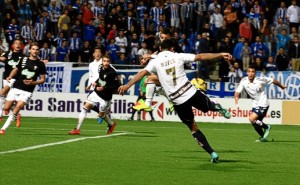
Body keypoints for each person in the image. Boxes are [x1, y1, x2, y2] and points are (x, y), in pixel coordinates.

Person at [118, 39, 232, 163]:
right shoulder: (178, 56)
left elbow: (141, 73)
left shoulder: (155, 62)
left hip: (177, 100)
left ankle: (212, 153)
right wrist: (220, 54)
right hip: (190, 91)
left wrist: (127, 85)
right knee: (209, 105)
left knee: (193, 127)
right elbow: (201, 56)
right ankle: (216, 107)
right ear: (172, 49)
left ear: (160, 49)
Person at [0, 42, 46, 135]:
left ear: (38, 51)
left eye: (37, 49)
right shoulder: (23, 59)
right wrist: (10, 76)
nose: (35, 51)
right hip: (16, 87)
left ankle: (3, 129)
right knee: (6, 107)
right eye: (33, 49)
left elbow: (42, 79)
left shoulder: (40, 64)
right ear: (29, 50)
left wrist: (33, 82)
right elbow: (16, 69)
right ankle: (17, 115)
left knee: (18, 107)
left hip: (27, 91)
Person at [69, 55, 120, 135]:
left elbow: (117, 85)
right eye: (104, 61)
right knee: (85, 107)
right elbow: (100, 78)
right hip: (96, 93)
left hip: (105, 97)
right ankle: (77, 129)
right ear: (102, 61)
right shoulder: (100, 67)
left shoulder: (112, 72)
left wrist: (104, 88)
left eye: (108, 61)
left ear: (110, 62)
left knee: (101, 115)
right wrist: (94, 83)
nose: (106, 63)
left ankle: (111, 124)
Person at [234, 65, 286, 142]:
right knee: (255, 124)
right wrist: (236, 97)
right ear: (247, 73)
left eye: (253, 72)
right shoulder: (244, 81)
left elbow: (273, 80)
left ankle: (266, 127)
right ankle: (263, 137)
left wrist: (281, 86)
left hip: (263, 104)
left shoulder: (260, 80)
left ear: (255, 73)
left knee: (251, 119)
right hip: (255, 104)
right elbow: (238, 91)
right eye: (249, 72)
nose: (251, 73)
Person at [0, 39, 24, 124]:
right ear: (13, 45)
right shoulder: (7, 53)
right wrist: (1, 58)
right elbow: (1, 58)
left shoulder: (23, 56)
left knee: (2, 93)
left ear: (21, 46)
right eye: (16, 43)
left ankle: (0, 116)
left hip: (15, 79)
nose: (17, 45)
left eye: (19, 44)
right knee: (4, 98)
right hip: (5, 78)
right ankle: (17, 114)